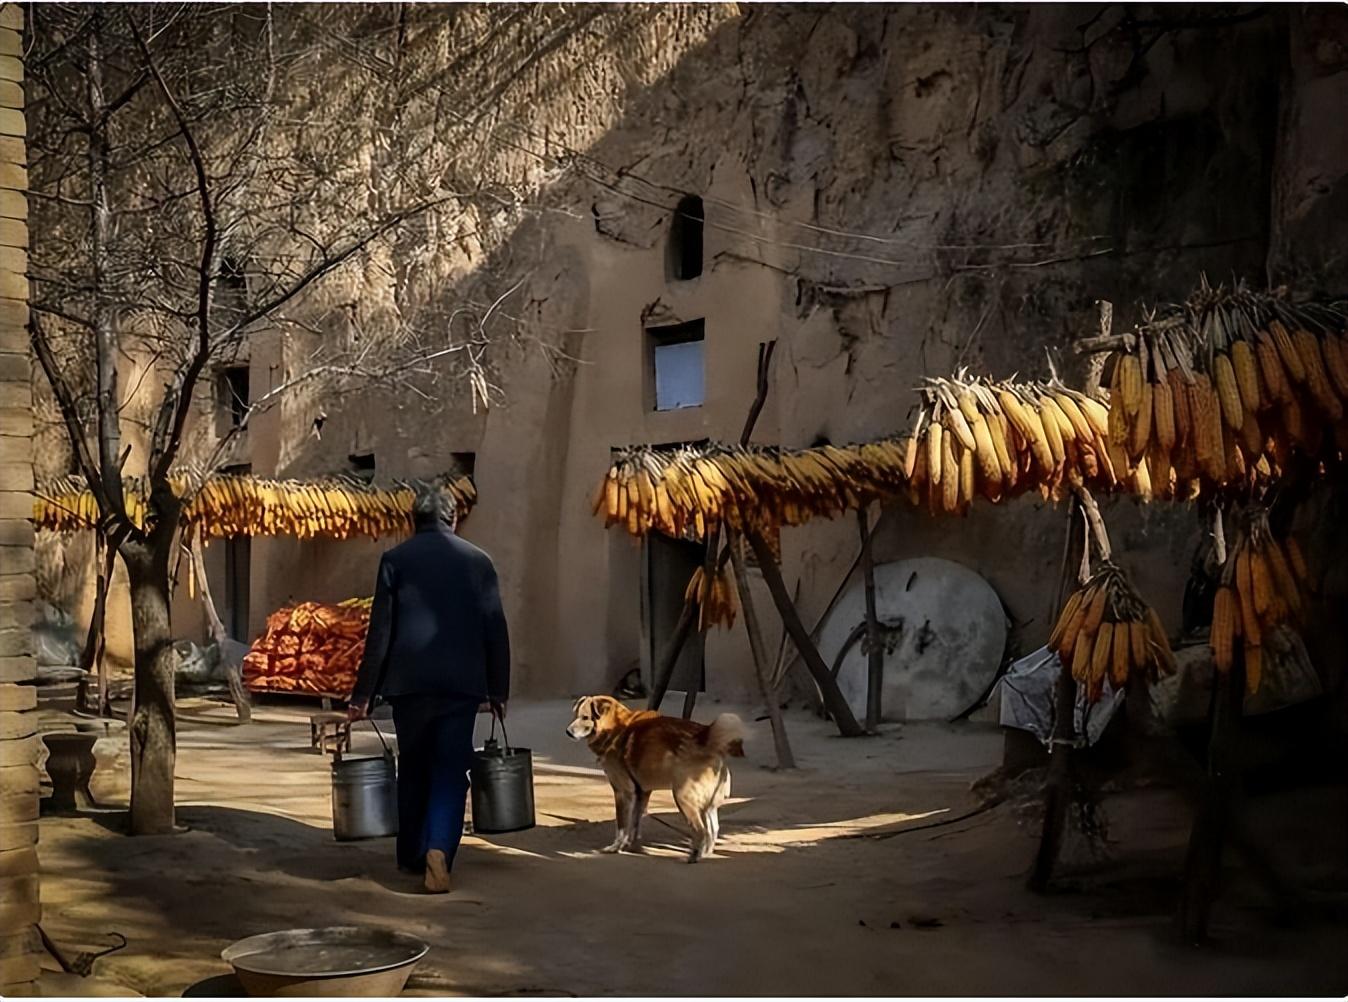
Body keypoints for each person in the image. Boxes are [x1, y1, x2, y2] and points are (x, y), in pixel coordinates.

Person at [347, 487, 510, 893]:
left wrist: (362, 694)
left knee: (415, 767)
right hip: (462, 686)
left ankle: (411, 855)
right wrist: (498, 690)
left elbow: (380, 633)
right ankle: (440, 848)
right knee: (451, 770)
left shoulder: (395, 560)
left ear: (412, 522)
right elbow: (495, 629)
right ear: (454, 519)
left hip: (409, 685)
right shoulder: (479, 562)